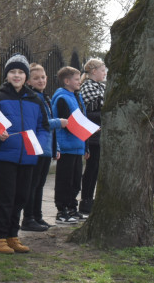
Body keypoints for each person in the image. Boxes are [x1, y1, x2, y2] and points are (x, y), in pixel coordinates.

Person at [0, 54, 49, 254]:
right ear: (7, 75)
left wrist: (39, 145)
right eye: (13, 72)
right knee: (4, 198)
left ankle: (12, 236)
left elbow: (43, 127)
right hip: (4, 157)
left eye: (21, 72)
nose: (17, 76)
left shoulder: (36, 100)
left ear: (26, 76)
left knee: (21, 198)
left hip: (28, 157)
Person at [21, 64, 64, 232]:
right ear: (29, 81)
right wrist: (59, 123)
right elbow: (40, 123)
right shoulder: (32, 98)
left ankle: (37, 216)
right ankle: (28, 218)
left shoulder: (44, 97)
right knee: (32, 185)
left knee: (39, 185)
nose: (41, 80)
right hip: (36, 147)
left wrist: (56, 147)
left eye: (43, 77)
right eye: (36, 78)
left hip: (46, 147)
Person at [51, 67, 86, 224]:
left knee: (75, 180)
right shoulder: (62, 98)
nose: (79, 82)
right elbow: (68, 122)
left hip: (78, 144)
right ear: (67, 81)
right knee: (64, 180)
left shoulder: (75, 96)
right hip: (67, 145)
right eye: (77, 79)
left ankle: (72, 207)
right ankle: (62, 210)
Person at [78, 58, 107, 214]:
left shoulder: (99, 87)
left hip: (99, 134)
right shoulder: (88, 87)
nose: (105, 73)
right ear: (94, 71)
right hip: (93, 134)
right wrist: (106, 115)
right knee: (91, 169)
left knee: (95, 169)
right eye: (103, 70)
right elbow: (87, 113)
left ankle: (90, 198)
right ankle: (86, 200)